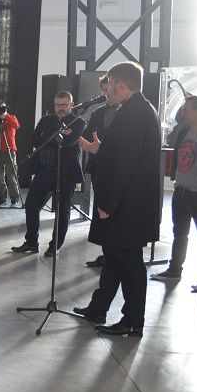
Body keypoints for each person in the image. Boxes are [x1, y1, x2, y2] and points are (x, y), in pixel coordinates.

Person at [73, 61, 161, 337]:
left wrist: (108, 203)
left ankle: (132, 321)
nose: (107, 89)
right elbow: (122, 153)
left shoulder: (135, 113)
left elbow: (126, 165)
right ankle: (98, 308)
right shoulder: (136, 109)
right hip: (126, 202)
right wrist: (102, 150)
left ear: (121, 86)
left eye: (110, 85)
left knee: (130, 263)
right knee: (113, 257)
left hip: (127, 205)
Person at [148, 96, 197, 292]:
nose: (183, 113)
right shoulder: (184, 131)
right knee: (179, 233)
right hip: (181, 191)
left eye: (186, 109)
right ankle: (175, 269)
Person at [10, 92, 85, 253]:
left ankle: (54, 246)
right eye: (58, 105)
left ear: (71, 105)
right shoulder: (46, 120)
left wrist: (48, 135)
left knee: (62, 211)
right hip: (43, 172)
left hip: (65, 175)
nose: (61, 108)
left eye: (64, 105)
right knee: (31, 205)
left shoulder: (79, 122)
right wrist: (59, 133)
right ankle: (31, 242)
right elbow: (34, 140)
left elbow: (69, 142)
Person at [82, 76, 119, 268]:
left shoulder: (127, 112)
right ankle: (106, 253)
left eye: (109, 89)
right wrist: (83, 141)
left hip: (117, 168)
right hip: (98, 167)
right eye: (104, 90)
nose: (107, 93)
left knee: (115, 212)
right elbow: (87, 136)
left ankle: (115, 253)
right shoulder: (97, 113)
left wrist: (102, 147)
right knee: (101, 210)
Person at [0, 102, 20, 207]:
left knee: (11, 176)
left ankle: (14, 200)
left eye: (3, 109)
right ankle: (2, 199)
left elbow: (17, 125)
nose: (1, 111)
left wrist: (6, 117)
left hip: (10, 150)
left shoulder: (11, 118)